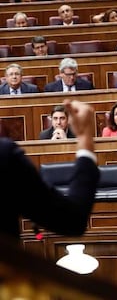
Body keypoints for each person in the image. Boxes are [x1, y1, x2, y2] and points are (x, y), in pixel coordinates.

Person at [0, 99, 99, 240]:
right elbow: (72, 221)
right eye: (55, 118)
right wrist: (84, 138)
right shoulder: (4, 155)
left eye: (62, 118)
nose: (58, 122)